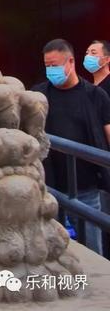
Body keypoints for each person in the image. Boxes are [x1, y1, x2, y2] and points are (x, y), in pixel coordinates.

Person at [32, 38, 110, 256]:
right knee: (54, 251)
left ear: (70, 62)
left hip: (86, 188)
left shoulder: (96, 96)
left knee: (92, 249)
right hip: (49, 187)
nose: (50, 70)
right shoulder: (38, 96)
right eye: (47, 66)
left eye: (55, 65)